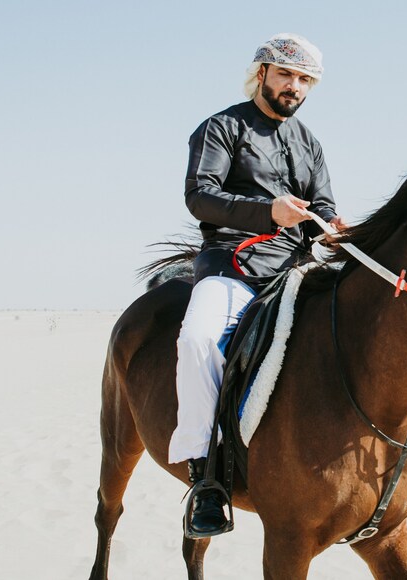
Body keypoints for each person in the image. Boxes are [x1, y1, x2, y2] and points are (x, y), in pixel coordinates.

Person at [168, 33, 346, 537]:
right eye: (286, 74)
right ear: (262, 73)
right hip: (233, 265)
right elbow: (199, 197)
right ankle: (203, 479)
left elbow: (323, 204)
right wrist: (267, 211)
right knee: (199, 340)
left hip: (295, 267)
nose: (295, 86)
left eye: (305, 80)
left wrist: (333, 226)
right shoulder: (221, 127)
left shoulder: (307, 141)